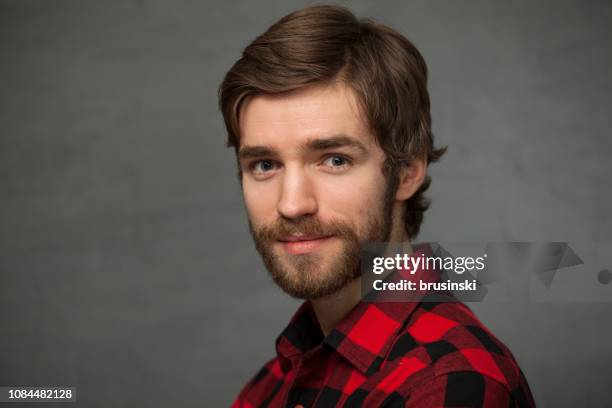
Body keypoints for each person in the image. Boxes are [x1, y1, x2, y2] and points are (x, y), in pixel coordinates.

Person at [219, 5, 535, 407]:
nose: (293, 204)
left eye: (335, 159)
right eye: (265, 165)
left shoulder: (451, 382)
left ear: (406, 171)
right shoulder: (268, 387)